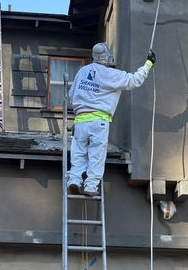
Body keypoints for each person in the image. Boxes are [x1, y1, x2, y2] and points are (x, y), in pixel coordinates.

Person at [66, 42, 156, 196]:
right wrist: (149, 63)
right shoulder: (111, 74)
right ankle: (90, 186)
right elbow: (135, 80)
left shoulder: (82, 72)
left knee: (78, 153)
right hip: (99, 121)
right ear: (106, 56)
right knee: (96, 155)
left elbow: (70, 95)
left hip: (80, 120)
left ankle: (74, 180)